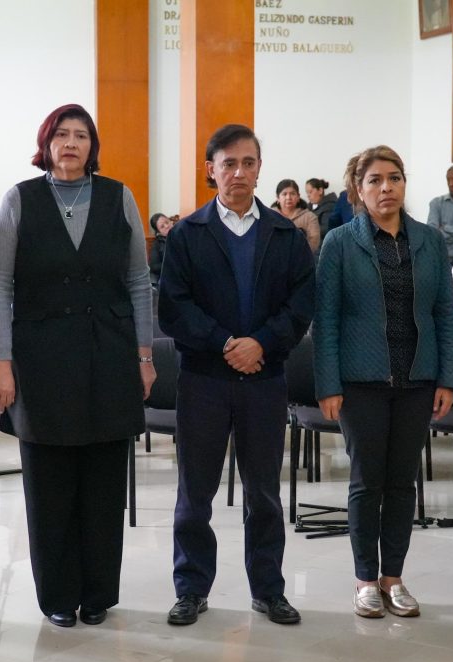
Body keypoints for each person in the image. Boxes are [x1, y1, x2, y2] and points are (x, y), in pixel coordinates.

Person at [0, 103, 153, 628]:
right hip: (40, 360)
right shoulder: (21, 198)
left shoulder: (118, 196)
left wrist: (144, 355)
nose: (72, 143)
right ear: (47, 143)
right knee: (50, 486)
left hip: (109, 354)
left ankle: (98, 592)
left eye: (81, 135)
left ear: (92, 146)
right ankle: (58, 594)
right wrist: (1, 362)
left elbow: (138, 280)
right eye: (62, 134)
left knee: (103, 482)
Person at [158, 124, 314, 627]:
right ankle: (190, 589)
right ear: (212, 170)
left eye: (248, 163)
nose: (239, 172)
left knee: (263, 492)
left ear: (260, 169)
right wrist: (225, 343)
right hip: (203, 380)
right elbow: (174, 308)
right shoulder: (188, 234)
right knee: (195, 492)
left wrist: (261, 343)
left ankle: (269, 590)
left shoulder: (286, 235)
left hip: (264, 380)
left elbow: (301, 305)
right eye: (229, 163)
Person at [313, 145, 453, 619]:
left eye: (394, 178)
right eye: (374, 180)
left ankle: (393, 578)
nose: (386, 188)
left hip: (418, 379)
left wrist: (447, 378)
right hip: (361, 382)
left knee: (402, 482)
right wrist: (328, 383)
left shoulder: (430, 240)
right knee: (366, 481)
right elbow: (326, 320)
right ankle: (364, 580)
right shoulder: (340, 243)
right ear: (357, 190)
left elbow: (445, 314)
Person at [272, 179, 321, 254]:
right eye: (284, 194)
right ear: (278, 198)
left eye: (292, 194)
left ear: (298, 197)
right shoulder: (270, 216)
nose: (288, 197)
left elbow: (314, 242)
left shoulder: (310, 217)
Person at [149, 212, 173, 287]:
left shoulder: (183, 235)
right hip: (168, 276)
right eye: (162, 226)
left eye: (167, 222)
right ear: (158, 232)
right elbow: (154, 266)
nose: (167, 226)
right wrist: (171, 264)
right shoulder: (157, 244)